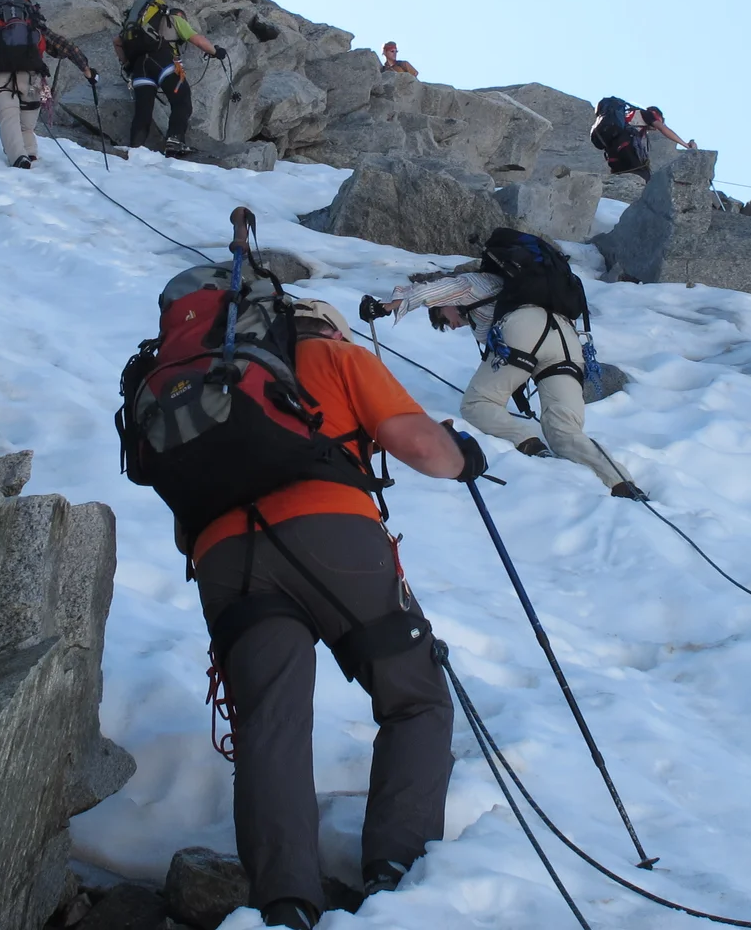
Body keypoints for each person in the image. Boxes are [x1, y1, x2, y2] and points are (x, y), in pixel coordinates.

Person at [186, 298, 477, 928]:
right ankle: (395, 876)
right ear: (327, 327)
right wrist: (465, 457)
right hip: (332, 536)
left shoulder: (209, 382)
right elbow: (421, 447)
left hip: (224, 559)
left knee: (270, 722)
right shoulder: (335, 356)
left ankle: (284, 904)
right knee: (416, 698)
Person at [360, 263, 644, 499]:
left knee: (476, 403)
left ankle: (531, 444)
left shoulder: (472, 283)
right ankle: (622, 484)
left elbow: (431, 290)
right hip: (567, 339)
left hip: (525, 327)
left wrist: (387, 306)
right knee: (565, 431)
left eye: (444, 318)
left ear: (446, 305)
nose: (453, 325)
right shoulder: (509, 292)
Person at [0, 0, 95, 168]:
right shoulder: (34, 26)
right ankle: (31, 154)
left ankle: (19, 158)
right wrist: (87, 70)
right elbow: (64, 46)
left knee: (9, 118)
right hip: (33, 81)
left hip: (0, 79)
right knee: (26, 126)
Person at [114, 0, 226, 156]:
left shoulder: (140, 26)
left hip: (139, 68)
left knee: (143, 111)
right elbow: (198, 40)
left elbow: (116, 41)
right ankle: (175, 141)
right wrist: (216, 51)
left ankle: (135, 149)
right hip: (162, 62)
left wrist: (127, 65)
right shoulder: (174, 19)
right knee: (182, 100)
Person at [589, 96, 695, 181]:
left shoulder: (625, 118)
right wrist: (686, 145)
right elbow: (663, 129)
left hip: (613, 154)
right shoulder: (647, 114)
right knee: (645, 176)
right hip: (626, 146)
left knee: (622, 176)